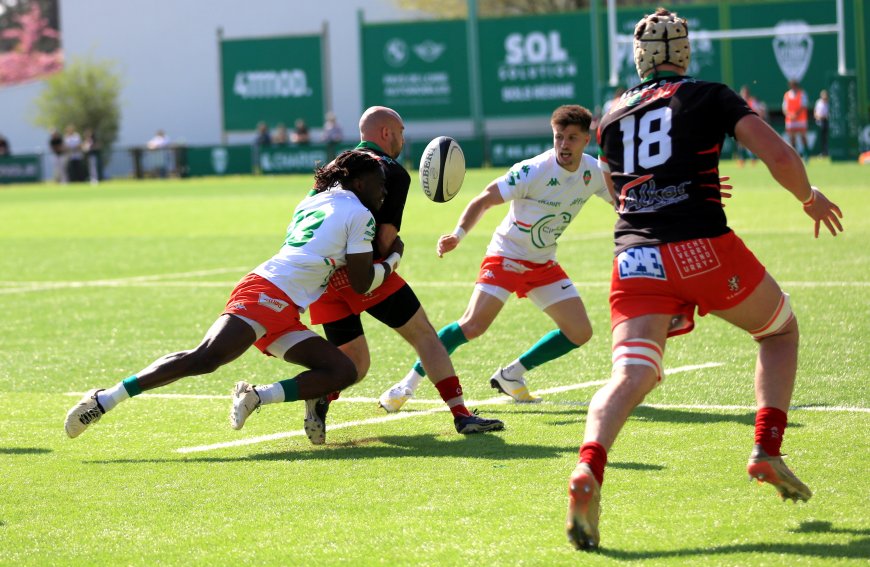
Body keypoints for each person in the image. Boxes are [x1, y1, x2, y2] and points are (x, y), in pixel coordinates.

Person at [566, 8, 844, 552]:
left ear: (638, 56)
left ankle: (588, 466)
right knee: (779, 330)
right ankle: (766, 449)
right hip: (701, 247)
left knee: (631, 375)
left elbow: (617, 184)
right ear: (685, 52)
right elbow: (779, 153)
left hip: (635, 258)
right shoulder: (709, 94)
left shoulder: (613, 112)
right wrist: (809, 198)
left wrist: (679, 187)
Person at [65, 150, 401, 446]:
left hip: (284, 303)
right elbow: (362, 283)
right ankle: (105, 399)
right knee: (205, 358)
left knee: (342, 369)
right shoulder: (360, 214)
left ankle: (257, 396)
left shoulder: (313, 200)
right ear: (359, 183)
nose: (384, 192)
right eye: (379, 183)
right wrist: (393, 258)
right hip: (268, 293)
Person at [385, 105, 612, 408]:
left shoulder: (594, 172)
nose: (564, 145)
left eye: (572, 138)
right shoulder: (534, 170)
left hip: (542, 262)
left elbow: (621, 202)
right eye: (559, 137)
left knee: (580, 331)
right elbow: (485, 199)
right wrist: (458, 234)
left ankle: (512, 375)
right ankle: (406, 385)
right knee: (473, 325)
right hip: (506, 254)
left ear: (587, 140)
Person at [307, 106, 504, 435]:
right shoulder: (391, 171)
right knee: (425, 336)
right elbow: (384, 240)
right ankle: (461, 414)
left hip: (321, 274)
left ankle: (319, 395)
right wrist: (395, 253)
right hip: (363, 273)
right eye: (400, 130)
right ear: (386, 133)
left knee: (354, 363)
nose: (402, 137)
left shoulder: (333, 166)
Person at [735, 85, 766, 166]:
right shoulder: (738, 101)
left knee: (751, 142)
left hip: (750, 124)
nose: (744, 94)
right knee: (740, 142)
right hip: (740, 124)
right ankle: (742, 159)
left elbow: (759, 111)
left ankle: (753, 158)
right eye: (743, 93)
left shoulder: (752, 101)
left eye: (745, 93)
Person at [782, 79, 810, 161]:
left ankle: (806, 156)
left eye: (794, 85)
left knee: (803, 137)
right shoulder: (787, 95)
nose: (793, 87)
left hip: (801, 120)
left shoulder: (802, 93)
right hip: (790, 121)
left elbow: (803, 106)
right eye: (792, 85)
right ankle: (795, 157)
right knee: (792, 139)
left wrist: (795, 115)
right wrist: (790, 115)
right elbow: (784, 108)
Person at [814, 89, 829, 158]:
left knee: (827, 138)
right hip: (819, 122)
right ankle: (823, 152)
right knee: (821, 138)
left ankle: (827, 151)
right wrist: (818, 117)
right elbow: (815, 112)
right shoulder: (818, 102)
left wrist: (824, 117)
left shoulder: (829, 103)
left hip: (827, 122)